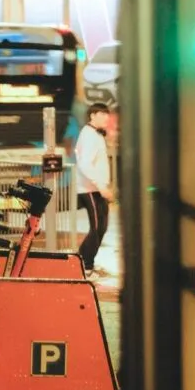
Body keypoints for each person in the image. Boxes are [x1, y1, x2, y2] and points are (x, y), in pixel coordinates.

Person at [75, 102, 113, 281]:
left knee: (101, 228)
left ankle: (83, 262)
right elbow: (84, 164)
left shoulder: (96, 135)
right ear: (92, 116)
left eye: (107, 114)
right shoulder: (88, 135)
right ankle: (85, 265)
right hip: (90, 189)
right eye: (102, 114)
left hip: (97, 188)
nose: (107, 118)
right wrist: (100, 186)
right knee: (97, 227)